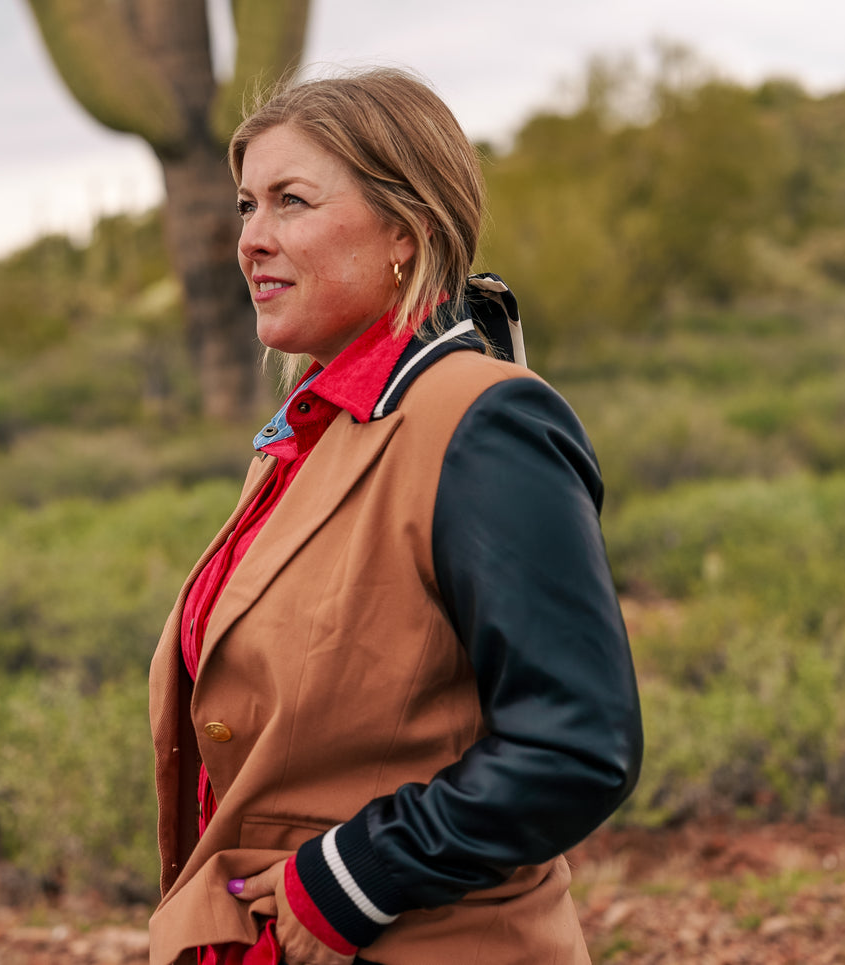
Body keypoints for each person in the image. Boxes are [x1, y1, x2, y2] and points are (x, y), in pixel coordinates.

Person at [146, 68, 643, 965]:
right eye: (245, 205)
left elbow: (575, 743)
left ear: (405, 234)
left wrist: (349, 878)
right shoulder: (311, 431)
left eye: (290, 202)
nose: (252, 238)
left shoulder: (485, 421)